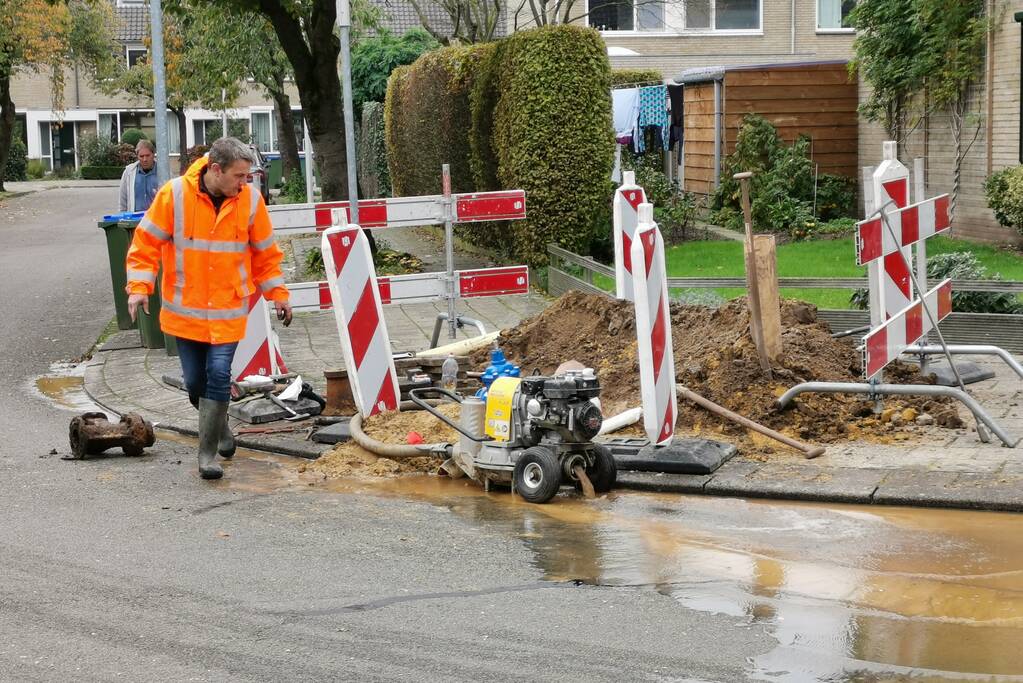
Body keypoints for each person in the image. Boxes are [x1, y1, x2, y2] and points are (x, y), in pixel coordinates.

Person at [124, 137, 293, 480]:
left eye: (248, 176)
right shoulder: (175, 195)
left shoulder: (250, 201)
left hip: (229, 309)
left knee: (218, 374)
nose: (244, 183)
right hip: (186, 312)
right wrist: (139, 288)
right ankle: (220, 429)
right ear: (216, 169)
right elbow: (145, 244)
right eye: (239, 176)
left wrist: (278, 293)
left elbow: (265, 253)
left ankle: (207, 454)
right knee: (195, 383)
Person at [118, 139, 159, 212]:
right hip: (135, 218)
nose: (145, 159)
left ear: (153, 154)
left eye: (147, 155)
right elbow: (123, 200)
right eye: (141, 156)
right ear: (137, 156)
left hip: (156, 218)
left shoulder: (162, 172)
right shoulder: (129, 172)